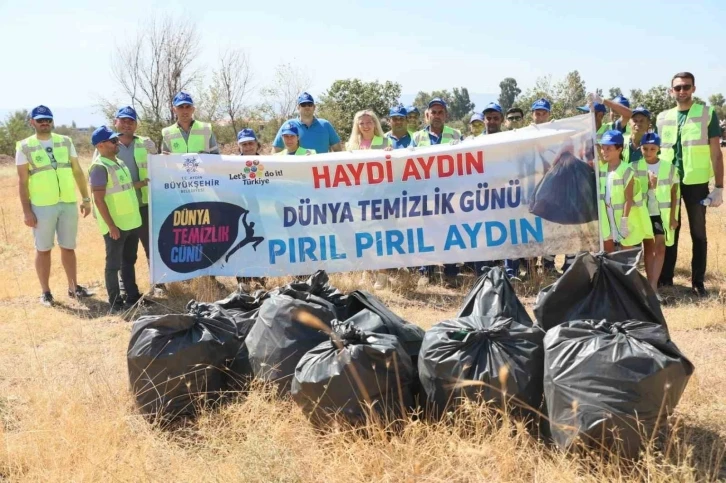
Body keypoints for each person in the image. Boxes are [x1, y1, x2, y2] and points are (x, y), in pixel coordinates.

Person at [15, 105, 93, 307]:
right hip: (42, 206)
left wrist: (85, 198)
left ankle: (73, 287)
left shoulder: (65, 141)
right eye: (40, 119)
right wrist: (26, 211)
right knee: (43, 249)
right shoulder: (24, 146)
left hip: (67, 202)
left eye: (48, 119)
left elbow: (77, 171)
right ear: (32, 121)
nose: (44, 122)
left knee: (68, 247)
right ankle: (46, 292)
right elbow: (22, 182)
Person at [656, 72, 724, 297]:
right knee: (670, 231)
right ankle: (666, 279)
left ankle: (698, 282)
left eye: (686, 87)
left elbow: (716, 153)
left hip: (696, 183)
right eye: (677, 88)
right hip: (669, 183)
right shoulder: (662, 117)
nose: (682, 91)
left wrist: (719, 188)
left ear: (694, 89)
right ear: (671, 91)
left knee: (698, 233)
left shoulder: (707, 114)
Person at [107, 106, 165, 297]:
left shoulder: (145, 143)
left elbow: (159, 168)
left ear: (136, 124)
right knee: (126, 253)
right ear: (116, 122)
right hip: (122, 208)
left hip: (145, 204)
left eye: (131, 121)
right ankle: (127, 288)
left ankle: (158, 284)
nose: (127, 124)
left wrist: (157, 155)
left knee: (152, 247)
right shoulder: (107, 145)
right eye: (123, 120)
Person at [89, 126, 145, 313]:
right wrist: (111, 225)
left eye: (117, 139)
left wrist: (144, 183)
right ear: (101, 145)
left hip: (131, 221)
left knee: (129, 261)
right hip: (116, 226)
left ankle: (132, 296)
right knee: (113, 265)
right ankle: (115, 303)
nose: (117, 142)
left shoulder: (119, 162)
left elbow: (125, 187)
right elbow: (98, 199)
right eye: (113, 141)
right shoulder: (99, 167)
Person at [411, 98, 463, 286]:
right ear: (427, 115)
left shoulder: (456, 135)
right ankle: (426, 272)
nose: (437, 115)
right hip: (425, 193)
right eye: (433, 112)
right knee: (427, 232)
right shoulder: (417, 137)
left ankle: (451, 273)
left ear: (446, 115)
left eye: (441, 112)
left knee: (450, 230)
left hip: (450, 193)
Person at [634, 133, 679, 300]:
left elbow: (675, 193)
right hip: (644, 213)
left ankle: (653, 286)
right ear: (640, 148)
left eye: (652, 149)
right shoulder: (634, 167)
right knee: (649, 248)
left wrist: (674, 216)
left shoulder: (669, 168)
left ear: (659, 149)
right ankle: (649, 284)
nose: (648, 152)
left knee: (660, 248)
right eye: (645, 148)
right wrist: (649, 185)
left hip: (662, 213)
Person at [597, 130, 651, 253]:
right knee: (608, 252)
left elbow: (629, 198)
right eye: (603, 148)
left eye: (608, 148)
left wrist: (624, 221)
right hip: (606, 217)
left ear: (619, 149)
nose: (604, 151)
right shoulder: (601, 170)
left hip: (622, 217)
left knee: (625, 251)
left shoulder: (626, 170)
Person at [234, 128, 266, 290]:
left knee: (260, 243)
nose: (248, 147)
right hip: (240, 213)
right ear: (239, 146)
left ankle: (261, 277)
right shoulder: (230, 165)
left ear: (257, 144)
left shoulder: (269, 163)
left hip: (263, 213)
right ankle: (243, 280)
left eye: (250, 143)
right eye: (244, 144)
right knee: (241, 243)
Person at [273, 92, 342, 154]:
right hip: (296, 167)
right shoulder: (288, 125)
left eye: (309, 104)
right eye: (303, 104)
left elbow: (338, 150)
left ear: (314, 107)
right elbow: (276, 151)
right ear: (298, 107)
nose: (307, 107)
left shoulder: (325, 125)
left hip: (320, 167)